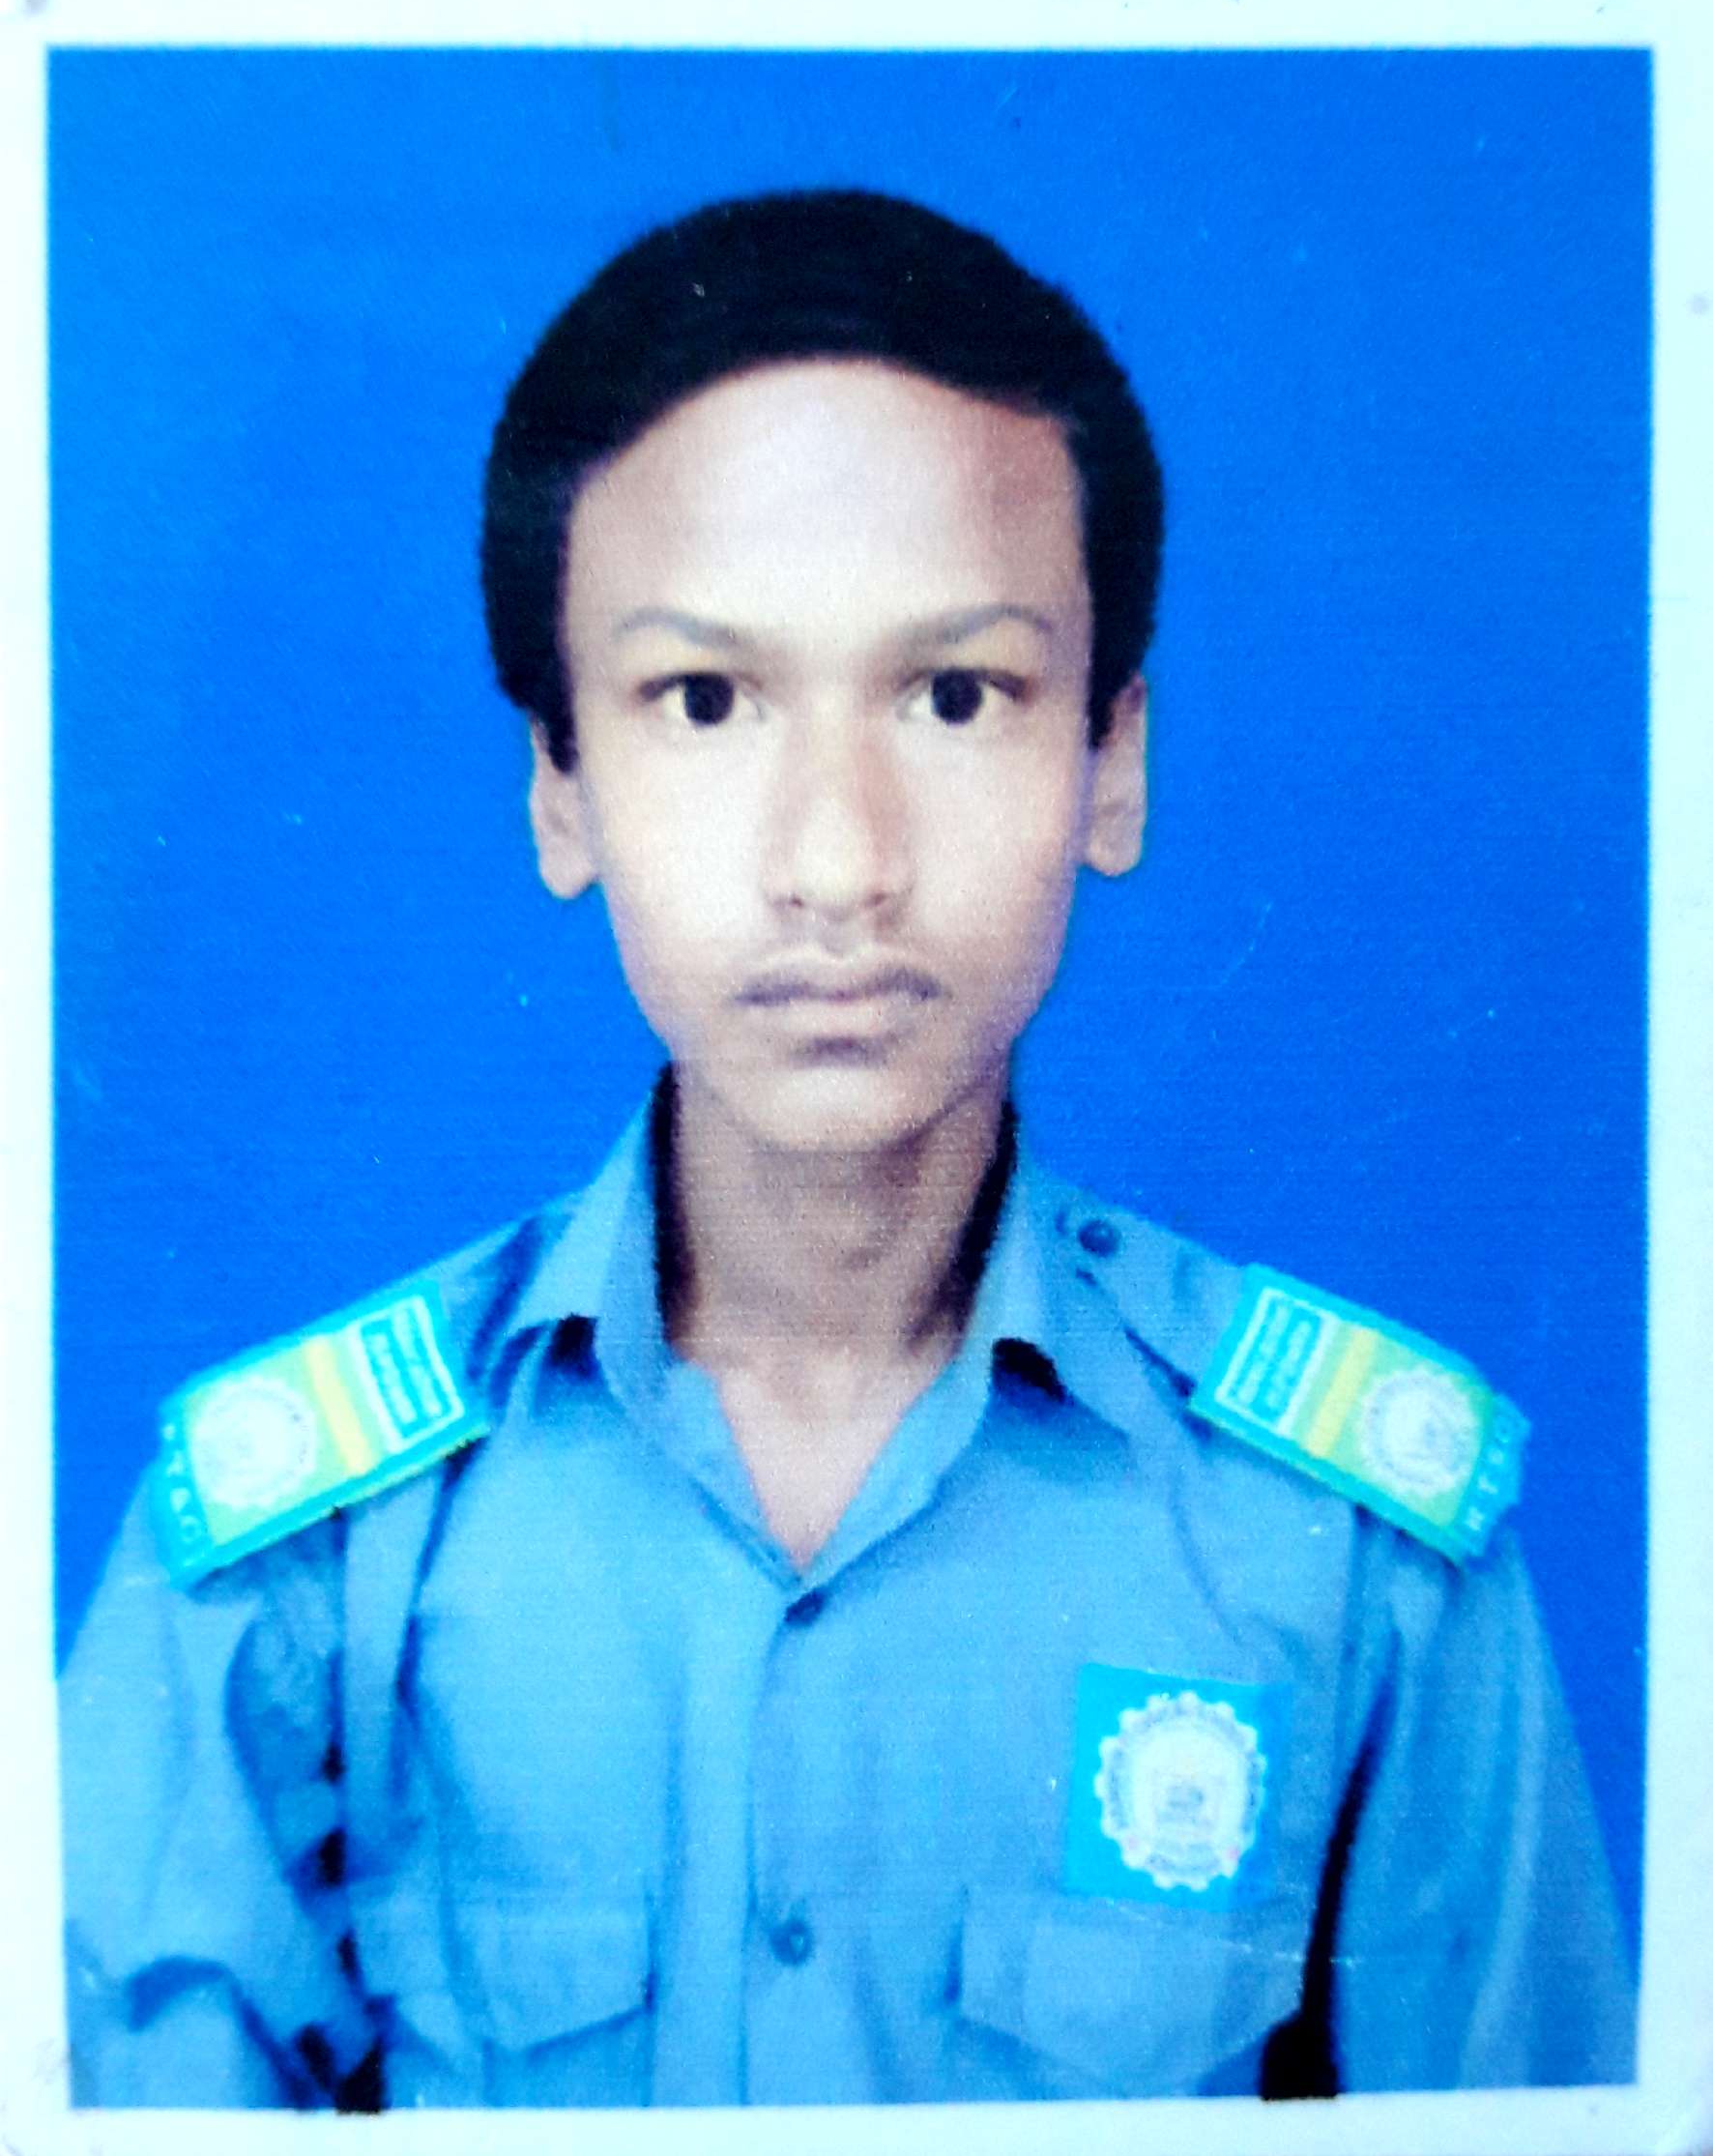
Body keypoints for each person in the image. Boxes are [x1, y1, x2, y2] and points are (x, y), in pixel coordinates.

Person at [58, 189, 1634, 2110]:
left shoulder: (1360, 1562)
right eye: (703, 699)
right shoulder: (301, 1561)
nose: (835, 861)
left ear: (1111, 761)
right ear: (560, 785)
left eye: (956, 694)